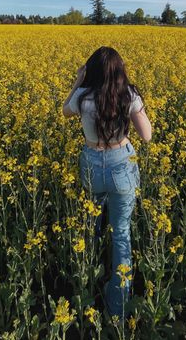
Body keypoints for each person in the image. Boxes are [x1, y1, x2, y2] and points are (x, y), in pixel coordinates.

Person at [62, 46, 152, 319]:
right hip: (121, 165)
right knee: (121, 233)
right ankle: (118, 308)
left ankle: (87, 279)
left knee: (92, 220)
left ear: (92, 71)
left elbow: (65, 111)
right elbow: (146, 136)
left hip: (91, 164)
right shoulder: (129, 95)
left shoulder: (83, 97)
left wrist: (78, 80)